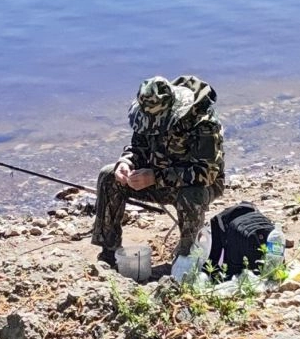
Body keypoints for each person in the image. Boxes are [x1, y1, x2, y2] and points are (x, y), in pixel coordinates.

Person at [91, 75, 225, 267]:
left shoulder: (202, 122)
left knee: (192, 194)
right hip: (155, 178)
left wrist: (155, 177)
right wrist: (126, 163)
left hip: (195, 184)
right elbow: (138, 148)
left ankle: (187, 257)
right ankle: (109, 252)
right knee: (109, 176)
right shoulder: (147, 116)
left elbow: (206, 173)